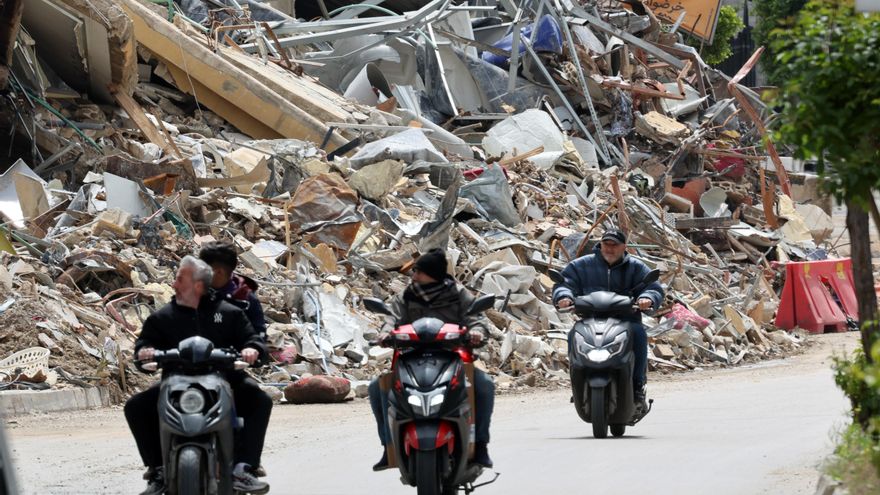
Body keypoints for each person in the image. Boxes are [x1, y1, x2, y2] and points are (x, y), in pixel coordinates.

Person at [124, 256, 272, 495]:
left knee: (260, 400)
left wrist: (252, 349)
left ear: (198, 285)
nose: (174, 284)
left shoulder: (229, 313)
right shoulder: (163, 317)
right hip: (176, 381)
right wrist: (144, 351)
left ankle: (244, 468)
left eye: (180, 279)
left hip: (226, 379)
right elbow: (144, 345)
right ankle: (158, 469)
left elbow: (253, 340)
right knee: (136, 407)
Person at [368, 249, 496, 470]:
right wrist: (385, 333)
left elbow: (476, 318)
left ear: (433, 274)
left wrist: (477, 332)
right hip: (412, 356)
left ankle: (481, 445)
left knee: (484, 386)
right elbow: (391, 317)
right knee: (376, 388)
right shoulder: (408, 295)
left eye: (419, 271)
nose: (414, 275)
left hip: (451, 354)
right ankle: (388, 447)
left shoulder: (458, 293)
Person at [552, 229, 663, 406]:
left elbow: (652, 287)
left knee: (639, 334)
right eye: (606, 244)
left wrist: (647, 298)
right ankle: (577, 383)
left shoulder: (636, 267)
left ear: (624, 247)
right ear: (600, 244)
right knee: (573, 335)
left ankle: (637, 386)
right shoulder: (582, 265)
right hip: (590, 319)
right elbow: (564, 283)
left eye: (614, 245)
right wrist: (564, 296)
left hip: (626, 320)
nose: (610, 249)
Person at [199, 240, 267, 340]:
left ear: (219, 272)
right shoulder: (196, 291)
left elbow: (259, 335)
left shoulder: (245, 299)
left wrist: (252, 346)